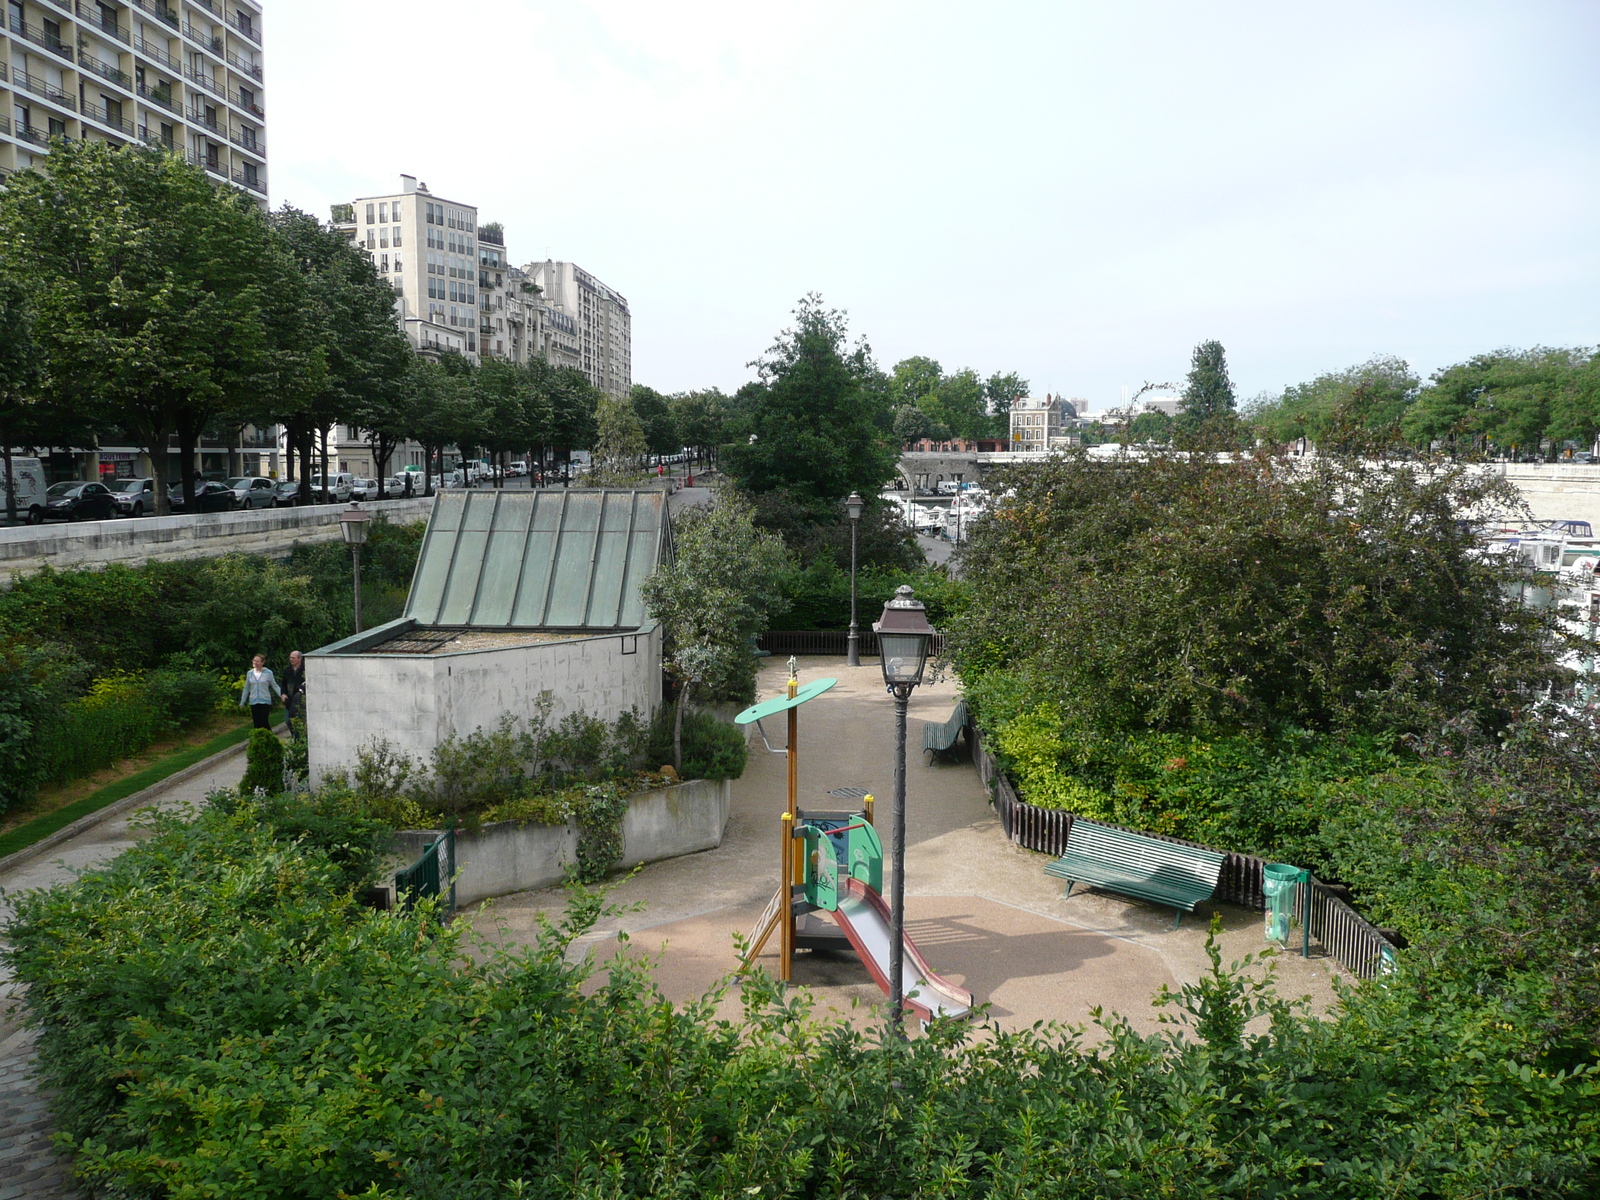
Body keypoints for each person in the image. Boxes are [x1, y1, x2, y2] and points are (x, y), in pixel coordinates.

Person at [239, 654, 281, 730]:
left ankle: (269, 738)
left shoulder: (268, 673)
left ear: (262, 662)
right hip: (254, 701)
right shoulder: (250, 673)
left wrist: (282, 695)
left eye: (258, 661)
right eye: (254, 660)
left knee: (264, 722)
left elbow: (274, 685)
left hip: (265, 701)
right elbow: (246, 688)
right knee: (256, 723)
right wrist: (242, 701)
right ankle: (258, 740)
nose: (255, 663)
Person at [282, 649, 305, 736]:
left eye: (294, 658)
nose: (291, 660)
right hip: (289, 699)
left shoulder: (304, 670)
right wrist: (283, 693)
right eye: (290, 658)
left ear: (300, 659)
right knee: (288, 720)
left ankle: (300, 738)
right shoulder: (288, 671)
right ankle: (295, 737)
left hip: (300, 699)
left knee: (299, 721)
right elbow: (283, 683)